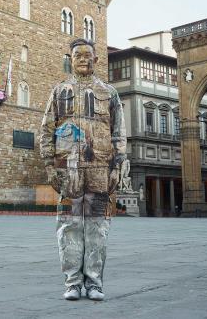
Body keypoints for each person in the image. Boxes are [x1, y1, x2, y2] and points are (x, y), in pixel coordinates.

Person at [40, 38, 127, 301]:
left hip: (101, 169)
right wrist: (48, 164)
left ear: (96, 60)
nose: (82, 59)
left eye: (87, 55)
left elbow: (119, 131)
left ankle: (94, 283)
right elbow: (47, 129)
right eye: (77, 55)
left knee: (97, 228)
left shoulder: (110, 93)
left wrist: (118, 166)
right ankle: (73, 283)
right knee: (69, 226)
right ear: (70, 58)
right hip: (69, 170)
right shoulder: (59, 91)